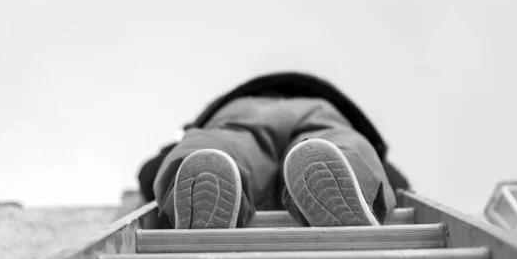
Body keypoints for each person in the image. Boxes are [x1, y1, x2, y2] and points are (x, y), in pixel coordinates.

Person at [138, 71, 410, 229]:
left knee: (224, 146)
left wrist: (163, 172)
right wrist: (387, 183)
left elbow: (149, 172)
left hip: (240, 110)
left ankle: (201, 171)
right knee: (339, 144)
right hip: (322, 108)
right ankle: (352, 178)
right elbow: (398, 183)